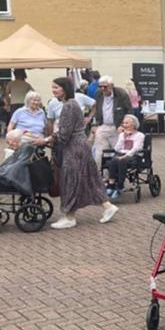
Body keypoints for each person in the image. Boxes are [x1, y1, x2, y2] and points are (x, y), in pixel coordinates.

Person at [47, 77, 118, 229]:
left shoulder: (69, 106)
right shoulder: (72, 104)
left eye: (56, 87)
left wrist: (48, 139)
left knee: (69, 180)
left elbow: (64, 134)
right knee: (89, 179)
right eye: (52, 87)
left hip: (74, 148)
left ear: (65, 89)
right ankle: (108, 206)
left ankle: (69, 217)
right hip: (81, 147)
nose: (53, 90)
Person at [92, 76, 132, 168]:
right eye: (100, 86)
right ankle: (101, 177)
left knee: (117, 151)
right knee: (100, 153)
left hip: (117, 127)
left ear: (111, 85)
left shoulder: (121, 94)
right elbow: (96, 109)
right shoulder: (98, 94)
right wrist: (94, 124)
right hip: (103, 126)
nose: (102, 89)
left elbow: (129, 111)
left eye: (105, 86)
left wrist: (123, 126)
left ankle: (114, 176)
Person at [104, 114, 145, 200]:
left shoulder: (140, 135)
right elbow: (116, 148)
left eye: (127, 123)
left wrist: (125, 156)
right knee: (113, 160)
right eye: (124, 123)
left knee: (121, 160)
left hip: (133, 156)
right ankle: (111, 183)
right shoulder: (122, 135)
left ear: (133, 124)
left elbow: (136, 149)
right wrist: (123, 137)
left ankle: (120, 184)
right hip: (120, 154)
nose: (124, 125)